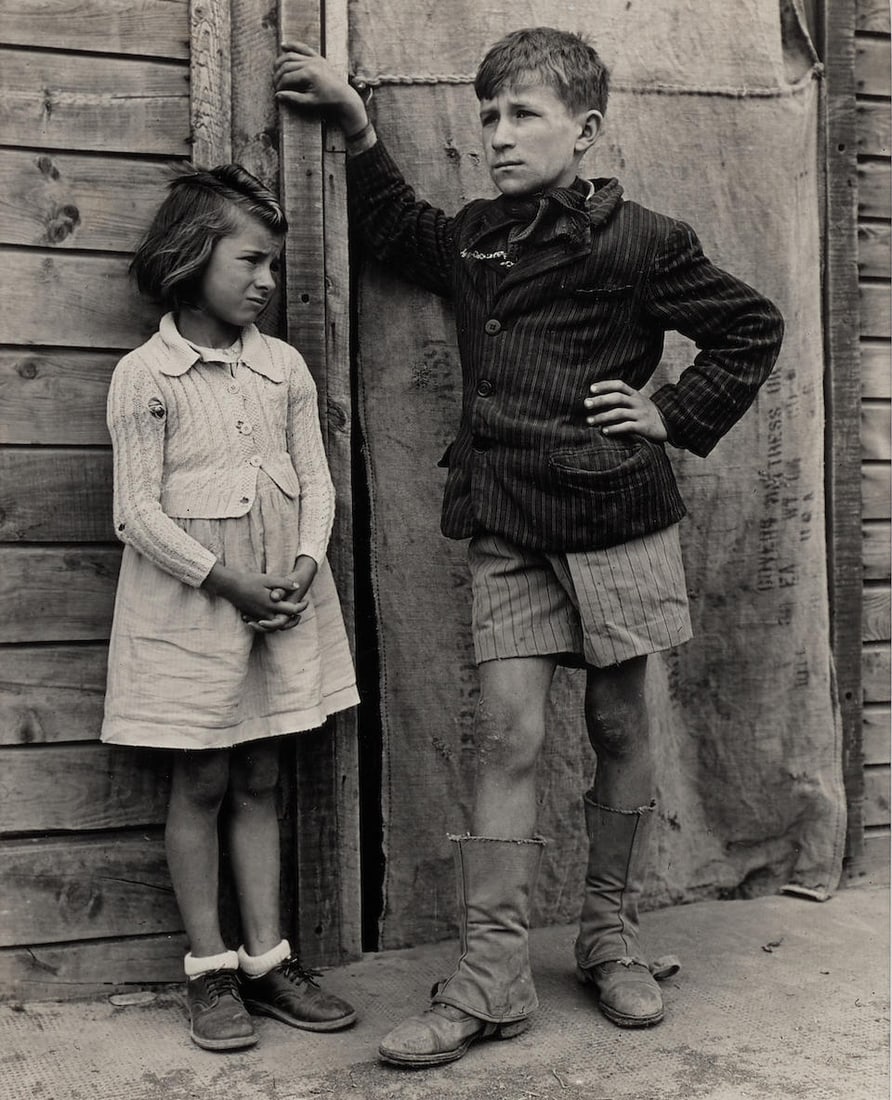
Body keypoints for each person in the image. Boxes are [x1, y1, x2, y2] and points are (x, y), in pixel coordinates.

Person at [275, 25, 784, 1067]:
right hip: (505, 518)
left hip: (617, 519)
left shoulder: (644, 239)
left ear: (584, 129)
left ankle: (610, 935)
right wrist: (359, 125)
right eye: (489, 116)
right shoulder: (472, 240)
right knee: (505, 735)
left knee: (618, 726)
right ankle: (492, 975)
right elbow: (396, 228)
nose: (499, 136)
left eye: (523, 116)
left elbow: (748, 326)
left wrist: (671, 414)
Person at [101, 165, 360, 1051]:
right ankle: (208, 969)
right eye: (250, 260)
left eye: (276, 266)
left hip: (280, 601)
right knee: (203, 777)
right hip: (195, 610)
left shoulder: (282, 367)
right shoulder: (149, 376)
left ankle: (268, 959)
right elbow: (136, 512)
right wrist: (227, 580)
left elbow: (316, 483)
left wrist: (299, 563)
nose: (266, 281)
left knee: (261, 775)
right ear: (190, 256)